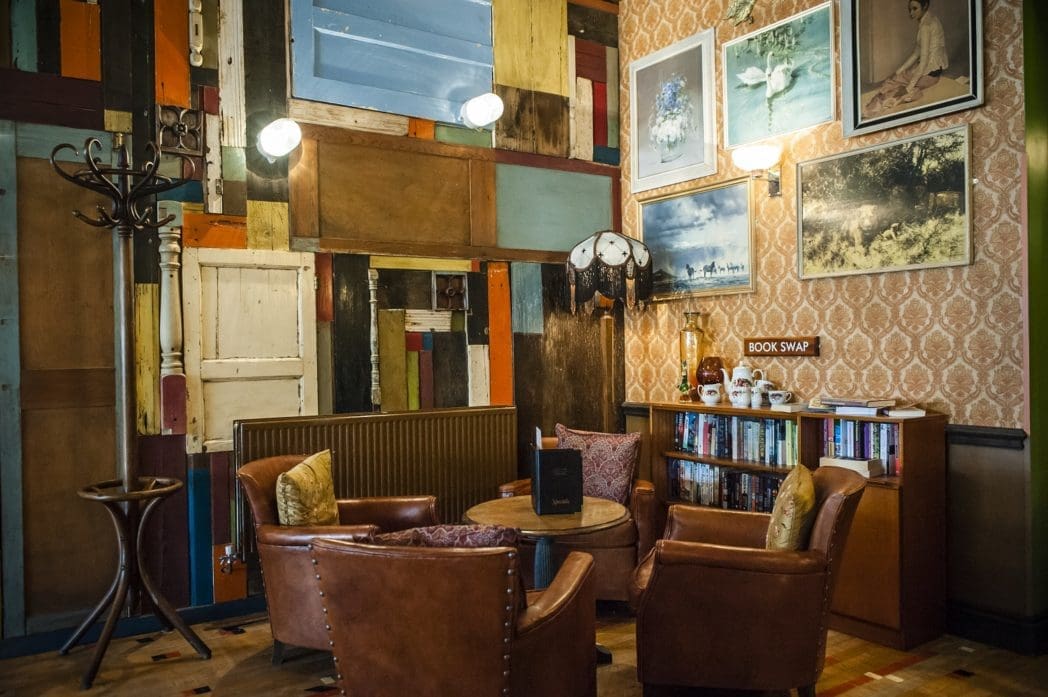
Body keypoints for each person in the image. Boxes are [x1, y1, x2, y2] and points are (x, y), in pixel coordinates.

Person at [865, 0, 948, 116]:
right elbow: (916, 53)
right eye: (910, 9)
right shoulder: (930, 19)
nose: (911, 13)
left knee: (892, 86)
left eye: (915, 9)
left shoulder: (926, 26)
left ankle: (871, 111)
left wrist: (908, 87)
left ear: (925, 6)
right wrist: (897, 71)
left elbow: (923, 62)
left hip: (930, 75)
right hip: (932, 71)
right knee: (897, 78)